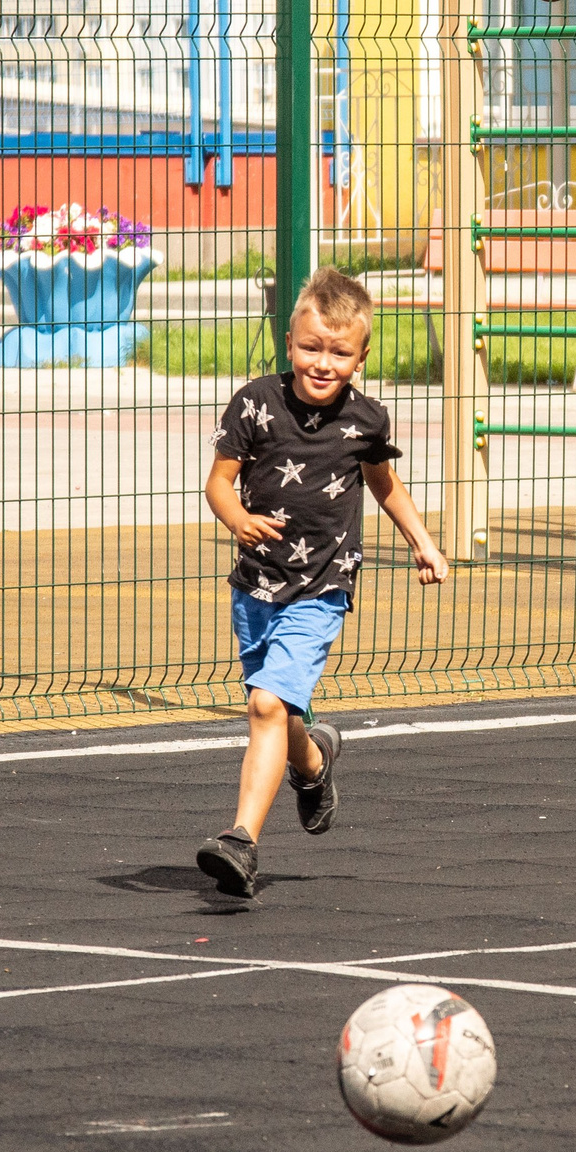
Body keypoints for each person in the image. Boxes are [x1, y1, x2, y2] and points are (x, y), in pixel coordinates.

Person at [195, 267, 449, 896]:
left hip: (323, 586)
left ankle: (241, 842)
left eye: (339, 353)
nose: (322, 363)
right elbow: (219, 481)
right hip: (254, 584)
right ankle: (313, 766)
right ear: (289, 343)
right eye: (311, 348)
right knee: (281, 714)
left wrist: (424, 544)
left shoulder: (366, 419)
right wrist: (239, 520)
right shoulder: (256, 403)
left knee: (263, 706)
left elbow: (385, 486)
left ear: (361, 357)